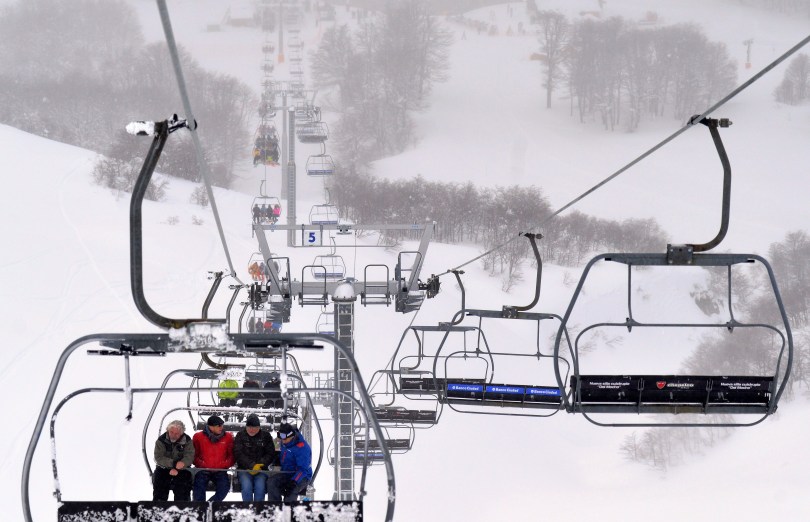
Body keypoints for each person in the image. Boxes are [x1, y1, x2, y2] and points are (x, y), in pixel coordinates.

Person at [234, 414, 277, 502]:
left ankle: (258, 508)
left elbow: (270, 453)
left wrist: (260, 464)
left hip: (261, 469)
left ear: (259, 427)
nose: (251, 430)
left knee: (260, 487)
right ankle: (247, 508)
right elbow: (238, 453)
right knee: (246, 487)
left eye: (254, 427)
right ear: (246, 427)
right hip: (244, 469)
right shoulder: (240, 436)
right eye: (249, 427)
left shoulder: (266, 436)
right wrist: (251, 465)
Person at [192, 415, 235, 502]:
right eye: (219, 426)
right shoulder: (198, 437)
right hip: (203, 469)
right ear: (211, 426)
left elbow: (232, 455)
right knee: (199, 487)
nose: (221, 427)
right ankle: (199, 506)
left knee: (224, 487)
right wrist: (202, 464)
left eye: (222, 425)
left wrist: (224, 464)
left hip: (220, 470)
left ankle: (210, 504)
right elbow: (194, 455)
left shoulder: (228, 437)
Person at [267, 423, 312, 502]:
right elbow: (286, 455)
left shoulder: (302, 448)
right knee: (272, 482)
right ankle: (275, 506)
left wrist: (294, 482)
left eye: (285, 439)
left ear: (292, 436)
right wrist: (277, 459)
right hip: (287, 473)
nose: (283, 441)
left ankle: (289, 508)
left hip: (301, 475)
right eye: (281, 438)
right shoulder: (285, 442)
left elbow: (303, 469)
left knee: (291, 491)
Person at [152, 420, 195, 501]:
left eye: (176, 434)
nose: (173, 436)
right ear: (167, 431)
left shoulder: (187, 441)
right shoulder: (161, 440)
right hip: (164, 468)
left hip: (182, 469)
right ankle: (159, 504)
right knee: (160, 484)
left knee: (183, 486)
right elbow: (159, 457)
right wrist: (173, 464)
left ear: (181, 434)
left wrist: (182, 464)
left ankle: (182, 505)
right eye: (171, 432)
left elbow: (189, 456)